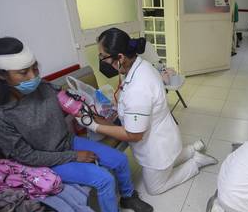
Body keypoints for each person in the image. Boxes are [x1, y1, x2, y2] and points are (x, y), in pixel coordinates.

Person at [0, 37, 153, 212]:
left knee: (119, 160)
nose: (33, 76)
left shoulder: (43, 87)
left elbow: (77, 107)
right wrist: (74, 156)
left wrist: (106, 121)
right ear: (1, 75)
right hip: (43, 162)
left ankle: (127, 196)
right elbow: (27, 156)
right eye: (24, 72)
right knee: (104, 179)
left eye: (35, 68)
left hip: (67, 142)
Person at [79, 28, 218, 196]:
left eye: (103, 57)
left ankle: (195, 162)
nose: (101, 61)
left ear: (120, 57)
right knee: (168, 160)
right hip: (164, 136)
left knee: (154, 189)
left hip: (157, 147)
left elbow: (134, 135)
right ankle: (192, 149)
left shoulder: (139, 87)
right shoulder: (139, 65)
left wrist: (93, 126)